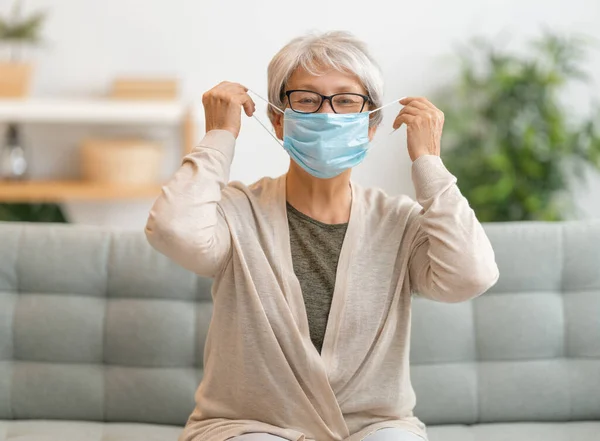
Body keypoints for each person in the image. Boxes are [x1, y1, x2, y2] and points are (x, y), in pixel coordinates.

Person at [145, 31, 499, 441]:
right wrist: (219, 136)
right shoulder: (236, 212)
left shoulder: (400, 222)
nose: (327, 114)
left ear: (371, 123)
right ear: (278, 119)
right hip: (250, 427)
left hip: (373, 428)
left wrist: (429, 162)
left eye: (346, 100)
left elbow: (470, 276)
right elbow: (173, 231)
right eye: (307, 100)